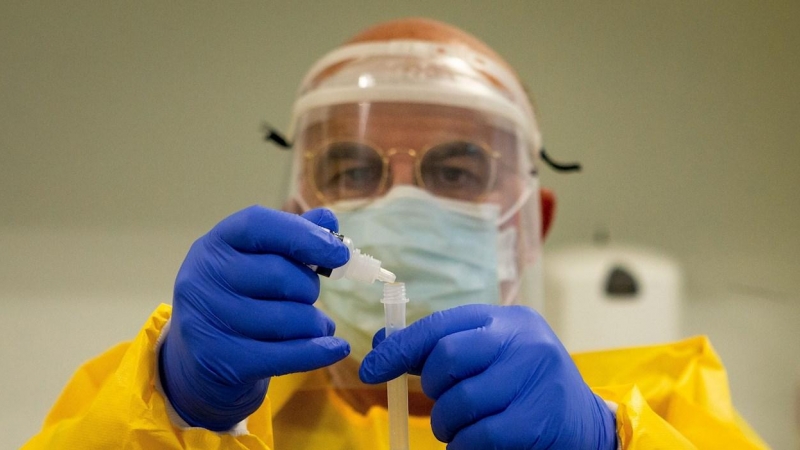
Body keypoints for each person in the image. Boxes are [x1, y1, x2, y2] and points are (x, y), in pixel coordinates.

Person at [23, 18, 766, 450]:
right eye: (351, 169)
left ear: (531, 225)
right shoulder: (169, 407)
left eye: (455, 172)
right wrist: (176, 402)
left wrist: (607, 444)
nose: (401, 200)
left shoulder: (672, 409)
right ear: (293, 213)